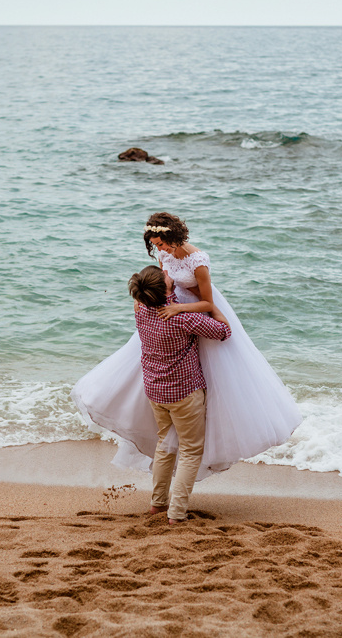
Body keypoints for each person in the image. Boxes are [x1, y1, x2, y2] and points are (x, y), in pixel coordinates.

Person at [71, 212, 302, 480]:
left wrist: (180, 309)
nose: (160, 250)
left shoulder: (198, 262)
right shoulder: (164, 255)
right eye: (156, 245)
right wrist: (154, 303)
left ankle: (201, 438)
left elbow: (208, 303)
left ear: (173, 236)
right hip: (170, 311)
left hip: (193, 311)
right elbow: (163, 281)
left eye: (162, 243)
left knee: (213, 379)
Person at [128, 265, 231, 524]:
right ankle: (176, 514)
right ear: (164, 289)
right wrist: (210, 303)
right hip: (184, 392)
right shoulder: (183, 318)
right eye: (165, 275)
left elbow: (151, 291)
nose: (169, 273)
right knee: (191, 450)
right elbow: (224, 331)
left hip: (154, 389)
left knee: (164, 443)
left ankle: (158, 503)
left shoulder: (140, 309)